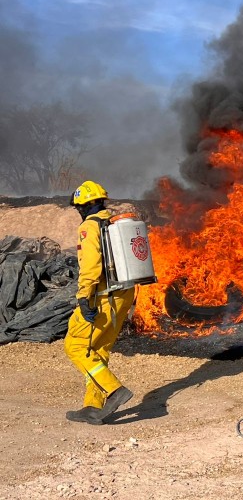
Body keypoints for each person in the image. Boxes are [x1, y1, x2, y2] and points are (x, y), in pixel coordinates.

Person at [63, 181, 135, 425]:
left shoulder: (90, 227)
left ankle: (115, 390)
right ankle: (92, 405)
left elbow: (91, 265)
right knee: (98, 349)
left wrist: (84, 296)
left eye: (81, 207)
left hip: (103, 297)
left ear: (88, 205)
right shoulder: (113, 223)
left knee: (75, 346)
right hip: (123, 294)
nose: (79, 211)